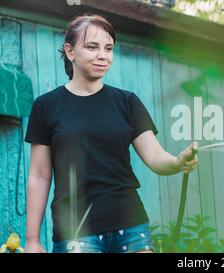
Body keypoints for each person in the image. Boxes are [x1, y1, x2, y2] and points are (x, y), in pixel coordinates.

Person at [24, 14, 198, 253]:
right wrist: (32, 240)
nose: (102, 55)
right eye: (92, 47)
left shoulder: (127, 102)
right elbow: (39, 176)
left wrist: (178, 162)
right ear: (70, 51)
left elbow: (156, 156)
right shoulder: (46, 106)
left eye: (108, 48)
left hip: (132, 226)